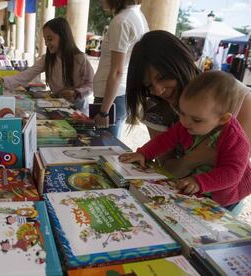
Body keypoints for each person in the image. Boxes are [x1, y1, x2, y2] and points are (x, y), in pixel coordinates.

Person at [125, 30, 251, 178]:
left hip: (222, 197)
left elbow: (233, 173)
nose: (158, 91)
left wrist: (197, 177)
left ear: (182, 63)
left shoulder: (239, 98)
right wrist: (197, 157)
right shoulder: (155, 108)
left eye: (163, 77)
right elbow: (168, 169)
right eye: (148, 85)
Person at [119, 71, 251, 210]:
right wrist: (144, 153)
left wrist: (199, 182)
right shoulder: (188, 122)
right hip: (195, 188)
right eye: (182, 113)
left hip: (224, 196)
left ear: (223, 119)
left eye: (196, 119)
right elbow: (165, 140)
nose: (185, 122)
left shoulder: (236, 139)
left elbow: (232, 174)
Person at [2, 17, 93, 114]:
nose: (46, 44)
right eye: (45, 40)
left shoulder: (80, 59)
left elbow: (91, 84)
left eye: (49, 39)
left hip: (78, 110)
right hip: (57, 107)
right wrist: (2, 82)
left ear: (63, 36)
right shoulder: (47, 59)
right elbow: (26, 75)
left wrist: (77, 93)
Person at [93, 0, 148, 138]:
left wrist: (103, 111)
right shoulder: (136, 15)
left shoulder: (121, 21)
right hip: (119, 94)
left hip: (111, 96)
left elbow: (117, 71)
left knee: (103, 146)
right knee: (109, 144)